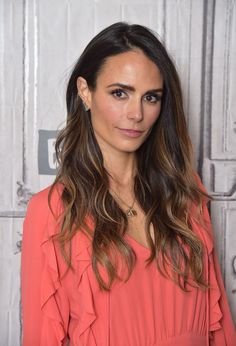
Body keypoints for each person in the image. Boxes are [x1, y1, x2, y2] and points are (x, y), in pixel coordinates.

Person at [21, 22, 236, 346]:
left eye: (151, 97)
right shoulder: (52, 210)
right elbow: (42, 338)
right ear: (85, 91)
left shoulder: (186, 192)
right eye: (120, 93)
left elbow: (218, 326)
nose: (136, 113)